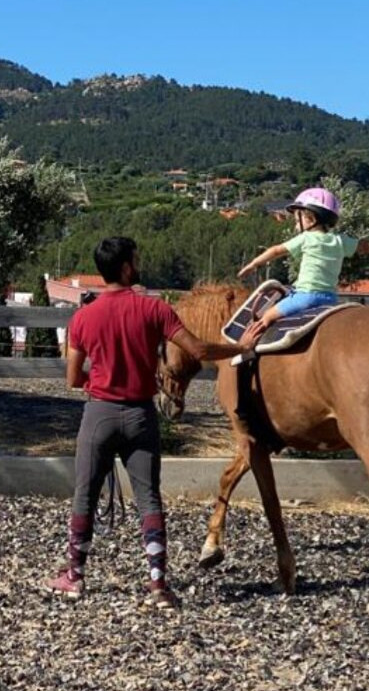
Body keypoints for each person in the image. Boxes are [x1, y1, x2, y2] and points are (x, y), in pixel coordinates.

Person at [47, 236, 260, 610]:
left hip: (99, 413)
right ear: (127, 267)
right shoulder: (155, 310)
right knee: (149, 498)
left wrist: (96, 383)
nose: (139, 263)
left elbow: (72, 378)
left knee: (85, 494)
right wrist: (241, 348)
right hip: (141, 415)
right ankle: (158, 585)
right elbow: (199, 350)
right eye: (136, 259)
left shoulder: (82, 317)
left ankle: (75, 576)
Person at [237, 187, 369, 333]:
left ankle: (247, 349)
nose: (295, 226)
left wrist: (253, 264)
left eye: (297, 220)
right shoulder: (340, 240)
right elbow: (365, 246)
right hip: (330, 298)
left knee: (266, 317)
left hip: (305, 297)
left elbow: (276, 250)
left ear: (311, 220)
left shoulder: (306, 238)